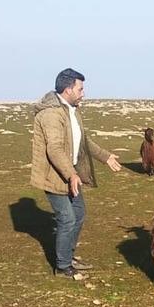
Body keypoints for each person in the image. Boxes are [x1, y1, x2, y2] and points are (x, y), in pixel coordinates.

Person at [30, 68, 122, 280]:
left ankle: (68, 256)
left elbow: (82, 141)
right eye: (80, 89)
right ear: (68, 89)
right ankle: (62, 267)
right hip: (55, 176)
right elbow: (54, 149)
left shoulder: (72, 111)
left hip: (72, 175)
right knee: (67, 219)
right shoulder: (51, 114)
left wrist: (105, 156)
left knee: (79, 214)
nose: (83, 93)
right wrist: (71, 174)